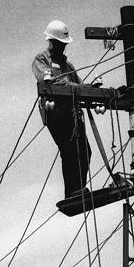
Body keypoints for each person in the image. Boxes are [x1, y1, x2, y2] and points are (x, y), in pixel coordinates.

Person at [32, 20, 91, 199]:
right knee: (69, 148)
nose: (62, 47)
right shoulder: (42, 60)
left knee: (84, 150)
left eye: (64, 44)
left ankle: (78, 189)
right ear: (51, 41)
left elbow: (81, 85)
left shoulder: (68, 66)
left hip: (72, 113)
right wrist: (74, 86)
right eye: (59, 44)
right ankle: (73, 192)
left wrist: (92, 89)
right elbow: (49, 81)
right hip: (55, 112)